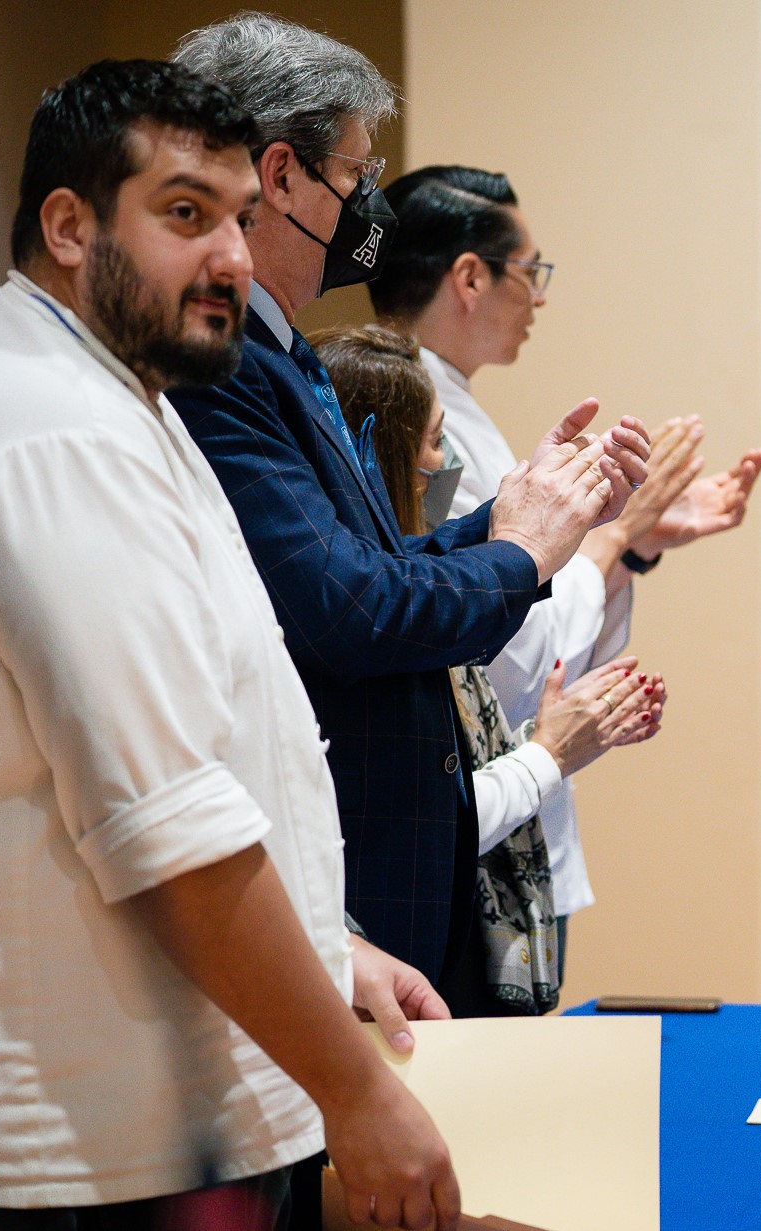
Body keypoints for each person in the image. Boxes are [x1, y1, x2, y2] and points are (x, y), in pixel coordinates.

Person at [0, 60, 459, 1230]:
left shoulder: (99, 390)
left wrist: (326, 946)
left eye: (239, 216)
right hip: (80, 1139)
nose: (230, 256)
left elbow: (208, 738)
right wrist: (350, 1087)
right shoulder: (51, 434)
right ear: (69, 226)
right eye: (185, 214)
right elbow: (163, 823)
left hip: (118, 1103)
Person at [166, 15, 650, 1019]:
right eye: (354, 171)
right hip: (347, 874)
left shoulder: (286, 353)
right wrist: (523, 553)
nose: (365, 203)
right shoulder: (222, 368)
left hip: (397, 879)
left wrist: (510, 522)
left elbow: (376, 564)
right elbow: (351, 610)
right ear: (282, 176)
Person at [369, 166, 761, 953]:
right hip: (463, 812)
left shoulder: (447, 405)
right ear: (471, 276)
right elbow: (492, 647)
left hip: (500, 801)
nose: (540, 297)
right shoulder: (411, 416)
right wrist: (615, 536)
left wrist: (634, 543)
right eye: (531, 271)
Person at [311, 323, 668, 1013]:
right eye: (436, 439)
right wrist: (550, 752)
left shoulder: (414, 586)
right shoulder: (376, 620)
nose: (446, 465)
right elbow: (428, 816)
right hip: (401, 968)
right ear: (382, 452)